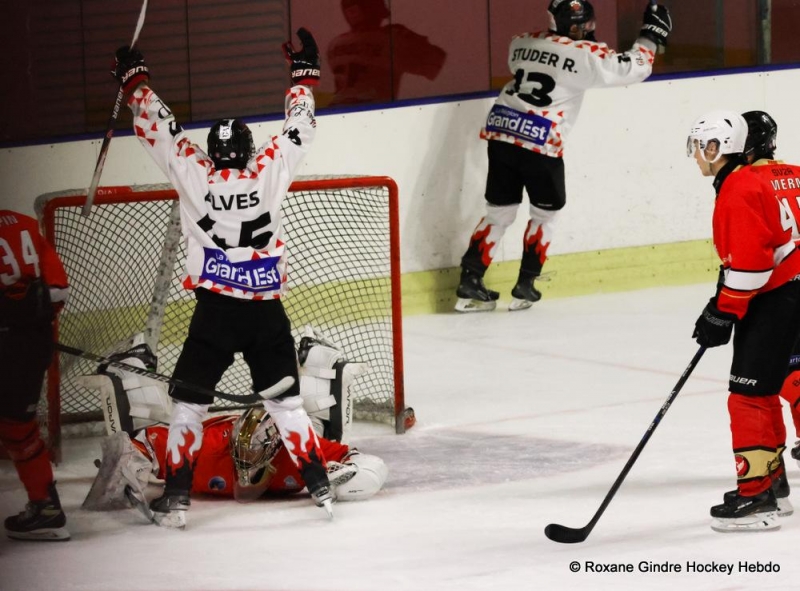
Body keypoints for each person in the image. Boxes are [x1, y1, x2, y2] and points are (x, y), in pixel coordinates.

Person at [113, 28, 333, 528]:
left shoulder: (195, 172)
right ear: (251, 149)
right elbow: (301, 127)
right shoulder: (269, 170)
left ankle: (176, 500)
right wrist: (303, 75)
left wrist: (135, 81)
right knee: (287, 404)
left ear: (213, 151)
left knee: (188, 404)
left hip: (214, 312)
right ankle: (320, 488)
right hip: (265, 313)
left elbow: (160, 130)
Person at [455, 0, 672, 312]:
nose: (590, 30)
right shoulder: (585, 56)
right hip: (541, 142)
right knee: (545, 214)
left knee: (499, 212)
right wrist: (652, 35)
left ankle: (470, 280)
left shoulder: (520, 42)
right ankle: (525, 284)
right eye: (586, 25)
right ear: (573, 26)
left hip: (502, 132)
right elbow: (633, 68)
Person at [80, 328, 385, 513]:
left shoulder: (295, 454)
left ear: (273, 453)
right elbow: (148, 439)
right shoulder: (209, 450)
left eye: (251, 458)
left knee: (318, 424)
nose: (244, 465)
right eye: (241, 454)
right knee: (143, 421)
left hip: (282, 421)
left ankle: (316, 353)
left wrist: (345, 478)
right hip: (211, 423)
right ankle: (133, 362)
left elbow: (365, 462)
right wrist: (134, 463)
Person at [686, 110, 800, 532]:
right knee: (770, 387)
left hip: (777, 299)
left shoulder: (740, 185)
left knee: (748, 395)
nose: (696, 156)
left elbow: (751, 266)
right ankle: (771, 486)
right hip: (792, 292)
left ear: (718, 148)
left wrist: (723, 311)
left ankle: (758, 498)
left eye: (699, 147)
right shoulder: (793, 174)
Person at [0, 209, 70, 541]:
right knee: (19, 427)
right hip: (33, 346)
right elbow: (58, 292)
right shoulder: (25, 224)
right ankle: (45, 506)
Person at [326, 0, 447, 106]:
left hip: (338, 112)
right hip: (373, 114)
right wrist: (407, 35)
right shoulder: (389, 40)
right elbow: (436, 62)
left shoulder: (334, 45)